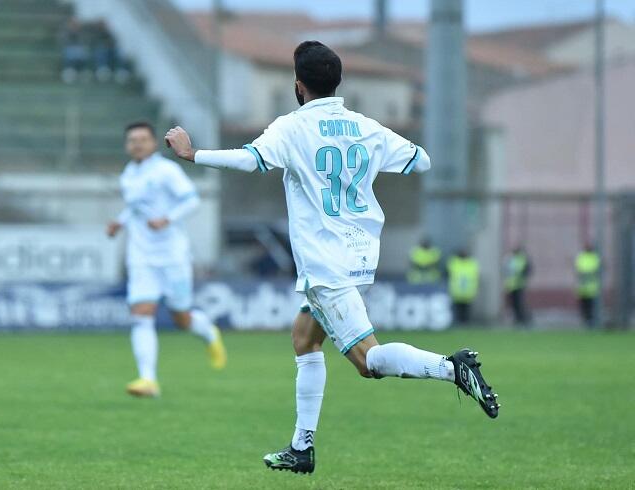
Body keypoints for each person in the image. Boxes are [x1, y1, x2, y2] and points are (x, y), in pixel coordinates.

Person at [164, 41, 499, 475]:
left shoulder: (292, 128)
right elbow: (422, 161)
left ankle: (453, 369)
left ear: (299, 86)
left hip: (326, 265)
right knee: (305, 339)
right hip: (360, 256)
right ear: (337, 81)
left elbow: (251, 160)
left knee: (367, 362)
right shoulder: (364, 126)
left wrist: (194, 154)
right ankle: (301, 448)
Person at [106, 122, 227, 398]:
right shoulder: (129, 174)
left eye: (142, 139)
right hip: (141, 257)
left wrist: (167, 219)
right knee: (141, 314)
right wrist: (119, 223)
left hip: (172, 256)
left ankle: (209, 333)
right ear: (127, 145)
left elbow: (191, 200)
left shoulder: (166, 170)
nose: (137, 144)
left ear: (153, 143)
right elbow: (135, 208)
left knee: (181, 318)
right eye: (132, 140)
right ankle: (148, 380)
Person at [446, 249, 480, 325]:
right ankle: (459, 322)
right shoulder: (454, 262)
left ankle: (465, 322)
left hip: (468, 291)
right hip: (457, 291)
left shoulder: (471, 263)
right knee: (458, 308)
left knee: (466, 308)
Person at [503, 246, 532, 326]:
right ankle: (517, 319)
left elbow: (528, 270)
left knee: (520, 304)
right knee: (514, 304)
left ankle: (523, 319)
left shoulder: (522, 259)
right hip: (511, 285)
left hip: (519, 284)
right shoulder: (510, 259)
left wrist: (523, 275)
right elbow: (506, 271)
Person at [575, 243, 600, 328]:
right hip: (583, 287)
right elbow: (578, 270)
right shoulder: (581, 257)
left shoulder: (595, 257)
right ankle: (586, 321)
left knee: (591, 306)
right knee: (584, 305)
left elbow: (598, 270)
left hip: (592, 287)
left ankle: (592, 321)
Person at [59, 18, 90, 83]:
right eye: (73, 24)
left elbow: (84, 42)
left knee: (81, 52)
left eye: (76, 24)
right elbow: (64, 41)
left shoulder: (82, 32)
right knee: (70, 52)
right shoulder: (65, 32)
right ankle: (69, 71)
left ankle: (82, 71)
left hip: (79, 49)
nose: (74, 26)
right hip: (69, 48)